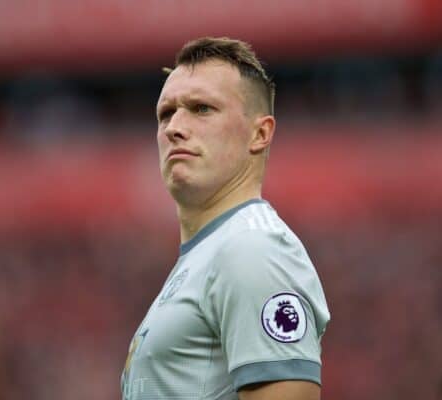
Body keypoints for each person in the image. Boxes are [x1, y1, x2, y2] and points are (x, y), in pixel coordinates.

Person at [121, 37, 330, 400]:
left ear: (260, 133)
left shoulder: (253, 249)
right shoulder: (210, 255)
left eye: (201, 108)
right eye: (166, 113)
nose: (174, 127)